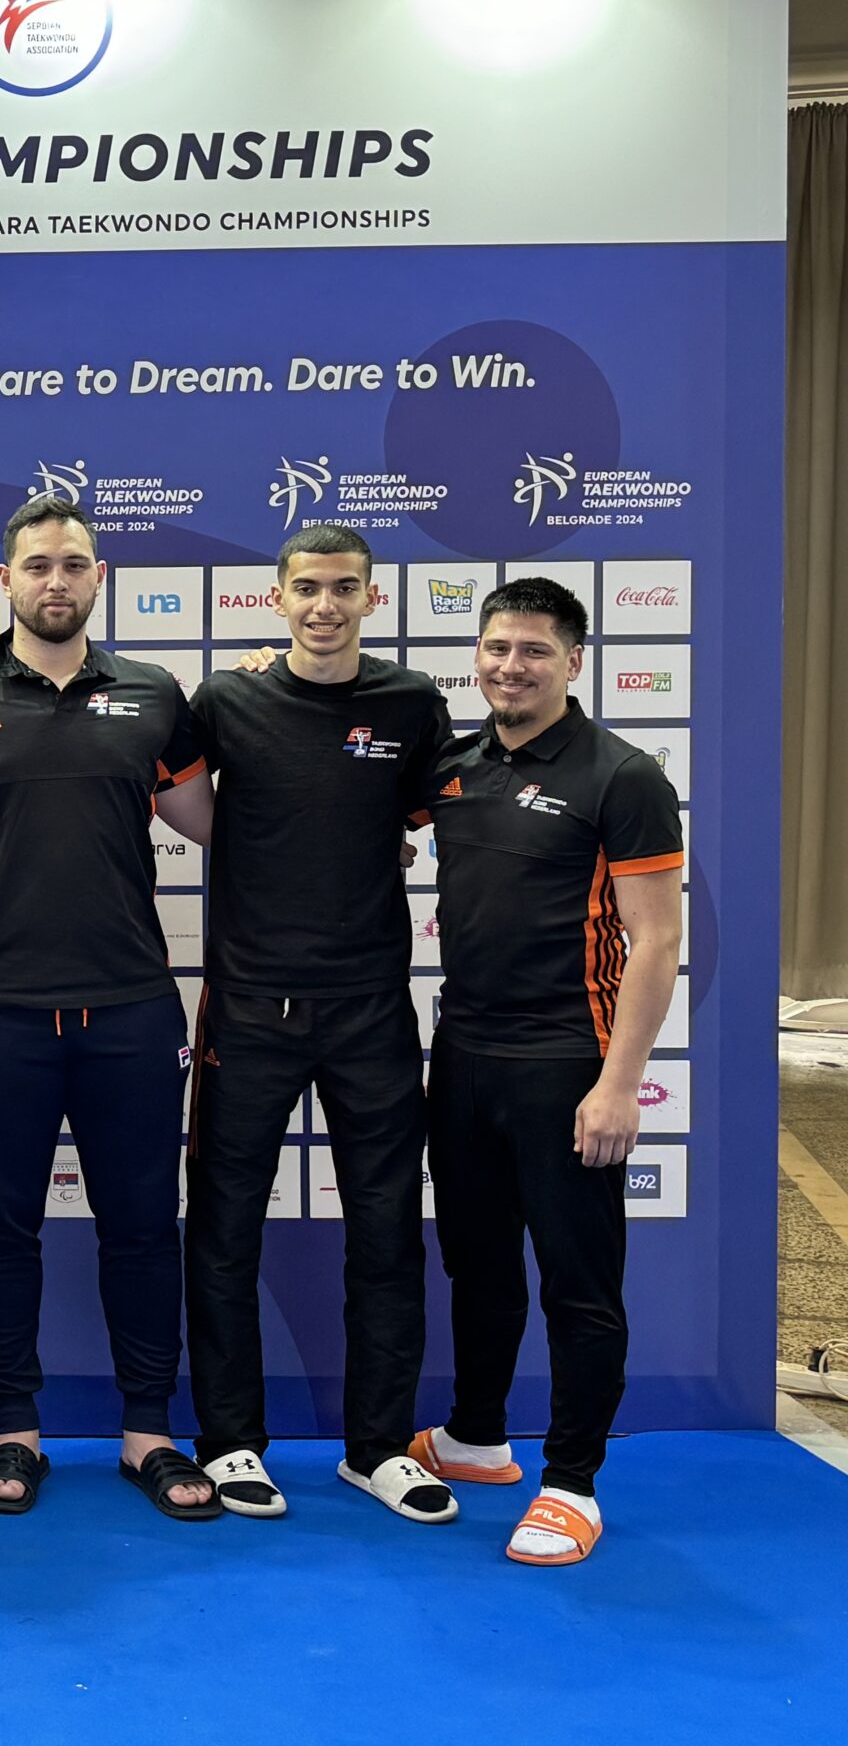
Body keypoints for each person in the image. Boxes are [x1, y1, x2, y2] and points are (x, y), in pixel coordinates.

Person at [0, 494, 219, 1520]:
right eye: (37, 565)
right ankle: (15, 1428)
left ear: (98, 577)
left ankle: (148, 1432)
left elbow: (221, 824)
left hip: (131, 1008)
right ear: (6, 580)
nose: (56, 581)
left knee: (142, 1226)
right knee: (0, 1225)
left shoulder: (154, 695)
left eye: (73, 564)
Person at [181, 523, 456, 1522]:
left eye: (344, 588)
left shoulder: (411, 703)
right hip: (249, 1009)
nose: (325, 605)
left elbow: (421, 819)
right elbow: (168, 792)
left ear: (371, 598)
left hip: (371, 1011)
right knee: (223, 1234)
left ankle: (376, 1448)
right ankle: (229, 1443)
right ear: (278, 598)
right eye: (307, 588)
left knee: (386, 1234)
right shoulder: (227, 699)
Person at [406, 577, 682, 1565]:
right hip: (463, 1057)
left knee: (577, 1283)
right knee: (476, 1264)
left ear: (574, 660)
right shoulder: (455, 766)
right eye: (496, 648)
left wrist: (618, 1083)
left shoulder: (622, 776)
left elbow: (657, 942)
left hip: (567, 1063)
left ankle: (571, 1483)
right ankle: (477, 1438)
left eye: (533, 651)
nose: (510, 667)